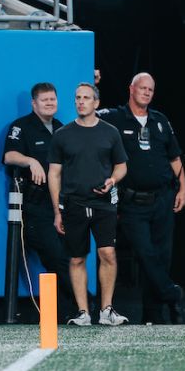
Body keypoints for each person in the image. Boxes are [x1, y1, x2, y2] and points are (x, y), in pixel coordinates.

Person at [97, 73, 185, 324]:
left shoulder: (160, 121)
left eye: (150, 89)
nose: (147, 93)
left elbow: (175, 157)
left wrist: (183, 188)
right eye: (142, 88)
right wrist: (93, 85)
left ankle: (154, 316)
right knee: (146, 254)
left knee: (161, 257)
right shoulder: (114, 117)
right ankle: (172, 294)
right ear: (131, 89)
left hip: (163, 198)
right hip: (132, 202)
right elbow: (88, 114)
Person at [48, 82, 130, 327]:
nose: (81, 101)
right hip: (73, 204)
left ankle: (106, 310)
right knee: (76, 258)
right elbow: (54, 174)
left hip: (103, 203)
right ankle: (83, 312)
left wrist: (112, 179)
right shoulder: (62, 135)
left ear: (96, 103)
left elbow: (122, 165)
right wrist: (57, 211)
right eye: (77, 97)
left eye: (86, 98)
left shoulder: (110, 132)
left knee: (107, 253)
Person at [3, 83, 74, 317]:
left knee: (68, 258)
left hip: (63, 205)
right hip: (36, 205)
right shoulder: (21, 127)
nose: (50, 103)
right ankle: (80, 307)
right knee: (56, 257)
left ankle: (67, 314)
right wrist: (30, 161)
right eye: (45, 100)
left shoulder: (63, 129)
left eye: (53, 99)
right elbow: (9, 155)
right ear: (34, 104)